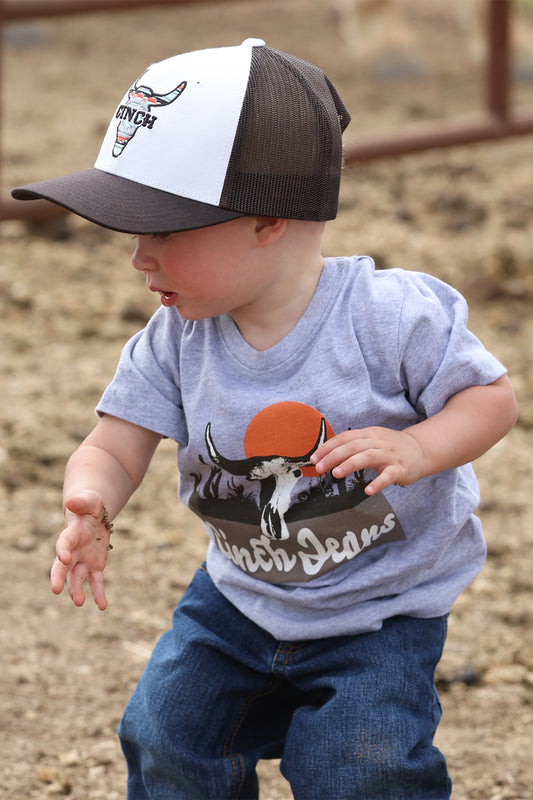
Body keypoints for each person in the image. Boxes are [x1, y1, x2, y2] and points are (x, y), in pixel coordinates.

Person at [12, 38, 517, 800]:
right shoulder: (175, 338)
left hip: (377, 612)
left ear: (268, 220)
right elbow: (114, 444)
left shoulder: (388, 317)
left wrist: (417, 447)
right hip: (238, 601)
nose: (140, 256)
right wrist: (91, 499)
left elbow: (490, 398)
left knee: (361, 767)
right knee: (164, 737)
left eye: (164, 230)